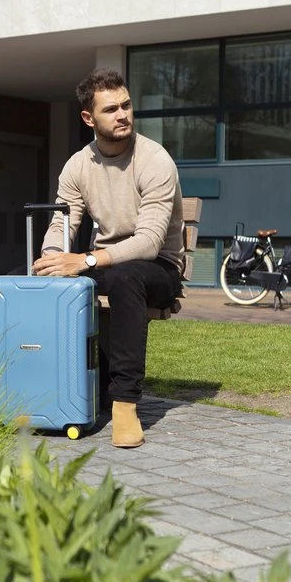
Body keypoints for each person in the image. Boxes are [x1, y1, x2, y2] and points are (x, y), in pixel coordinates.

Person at [32, 67, 184, 449]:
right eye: (111, 109)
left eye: (126, 106)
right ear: (89, 118)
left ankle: (125, 402)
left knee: (125, 276)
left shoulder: (155, 160)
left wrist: (84, 261)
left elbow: (149, 243)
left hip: (158, 269)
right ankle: (50, 387)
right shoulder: (78, 165)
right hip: (107, 264)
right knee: (31, 277)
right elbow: (62, 221)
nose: (123, 115)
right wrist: (51, 259)